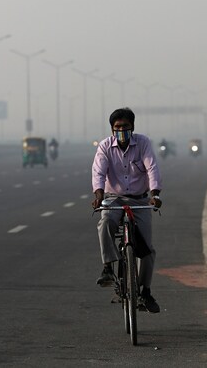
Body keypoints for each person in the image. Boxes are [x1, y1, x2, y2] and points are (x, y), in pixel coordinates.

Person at [91, 107, 163, 313]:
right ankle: (108, 266)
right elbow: (98, 172)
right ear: (112, 129)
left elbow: (152, 168)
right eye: (118, 127)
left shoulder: (143, 143)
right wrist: (98, 196)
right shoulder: (105, 146)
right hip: (113, 198)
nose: (122, 130)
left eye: (125, 126)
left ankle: (145, 291)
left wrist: (155, 194)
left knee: (147, 250)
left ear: (133, 127)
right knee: (105, 222)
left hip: (140, 199)